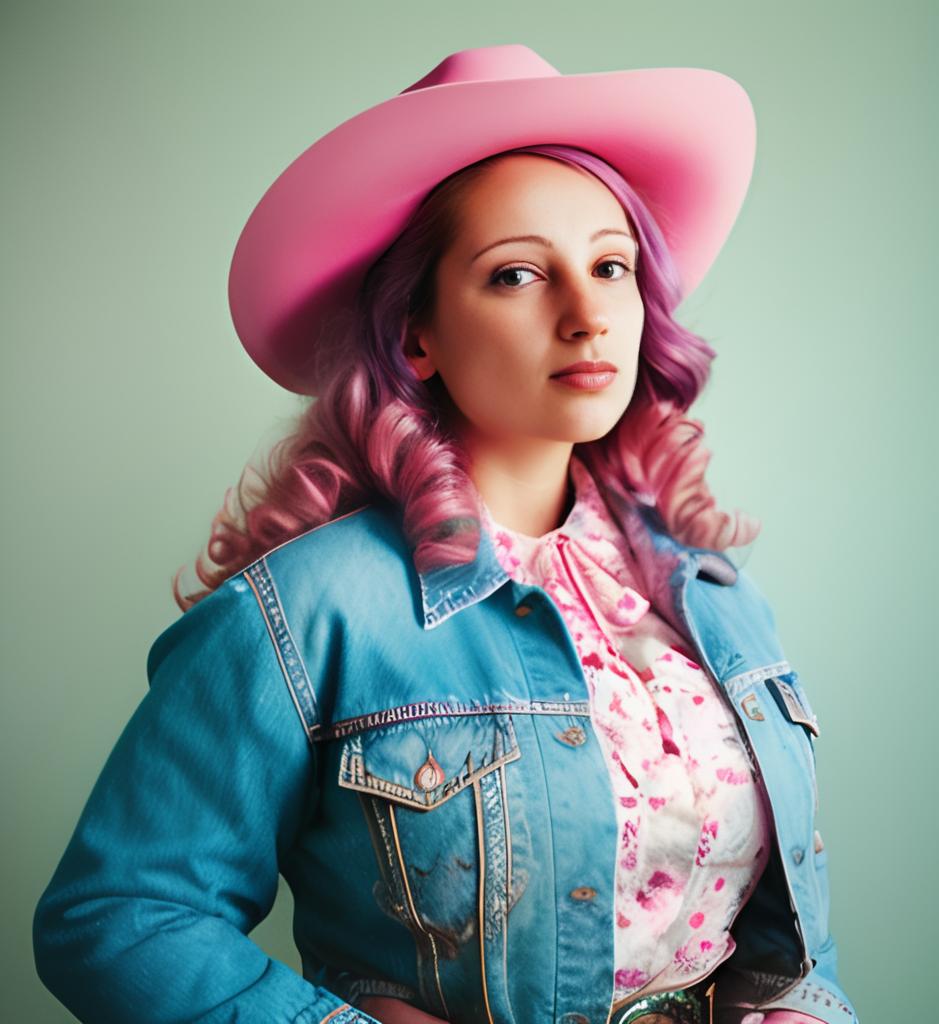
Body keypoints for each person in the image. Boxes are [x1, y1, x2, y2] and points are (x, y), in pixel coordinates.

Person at [33, 44, 858, 1024]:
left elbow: (787, 932)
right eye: (516, 274)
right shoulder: (310, 609)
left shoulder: (711, 595)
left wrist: (807, 1007)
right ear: (415, 334)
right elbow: (120, 916)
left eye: (610, 266)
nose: (586, 315)